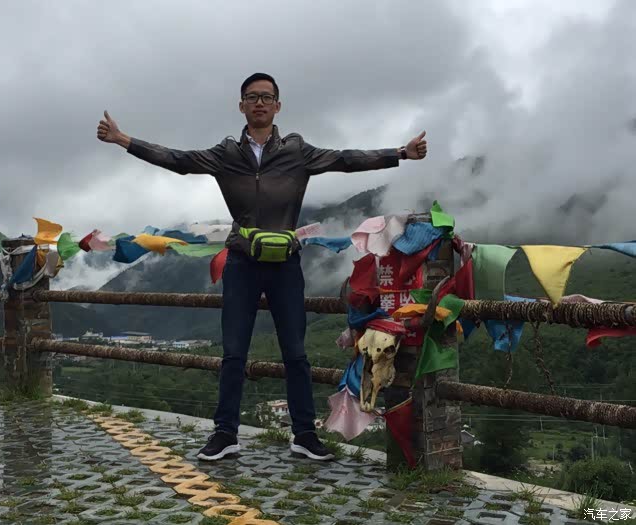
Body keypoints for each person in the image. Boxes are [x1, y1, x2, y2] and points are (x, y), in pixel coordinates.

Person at [97, 72, 428, 461]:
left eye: (266, 97)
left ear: (277, 105)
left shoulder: (297, 150)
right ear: (241, 105)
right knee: (234, 352)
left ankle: (304, 435)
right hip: (241, 262)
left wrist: (400, 153)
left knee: (295, 353)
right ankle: (225, 434)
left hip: (285, 264)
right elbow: (179, 160)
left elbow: (345, 159)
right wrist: (123, 140)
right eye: (252, 97)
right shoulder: (225, 153)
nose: (259, 102)